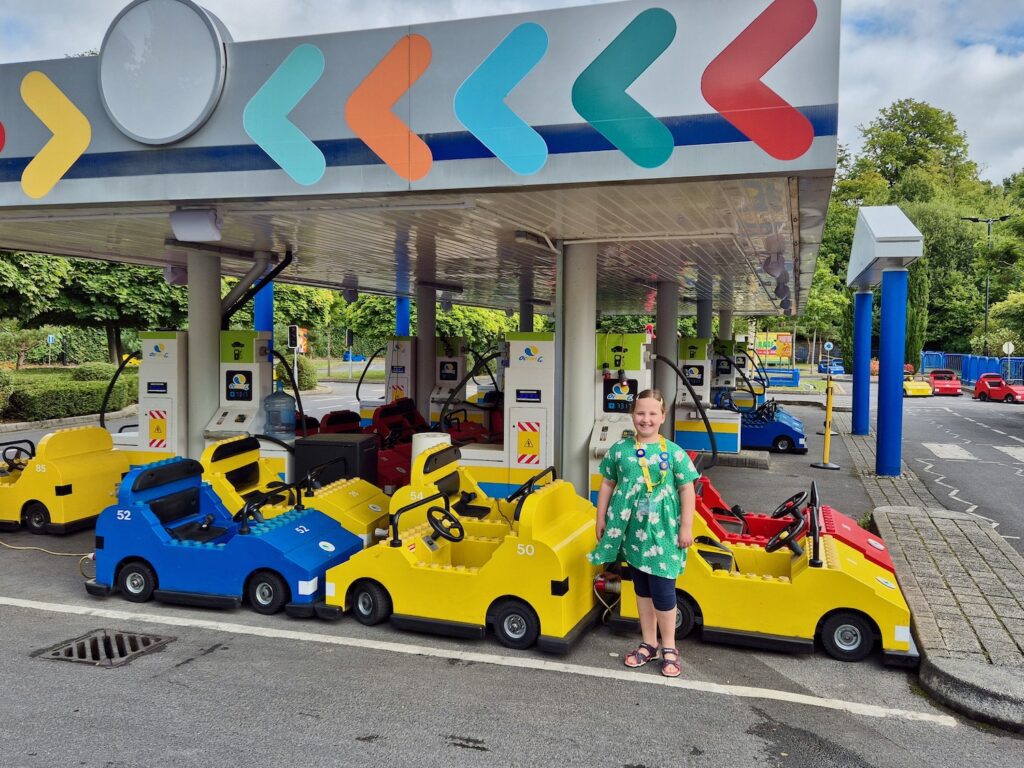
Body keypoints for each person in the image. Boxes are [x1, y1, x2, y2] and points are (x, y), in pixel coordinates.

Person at [588, 388, 698, 678]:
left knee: (663, 590)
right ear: (631, 416)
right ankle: (649, 643)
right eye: (640, 413)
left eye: (652, 413)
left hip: (664, 533)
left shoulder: (674, 452)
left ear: (662, 416)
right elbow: (608, 484)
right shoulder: (619, 450)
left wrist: (686, 527)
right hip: (632, 532)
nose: (645, 419)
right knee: (642, 588)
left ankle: (669, 646)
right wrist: (600, 518)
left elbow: (687, 489)